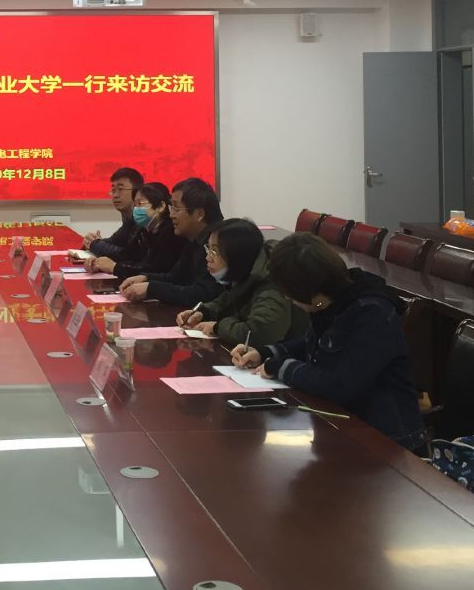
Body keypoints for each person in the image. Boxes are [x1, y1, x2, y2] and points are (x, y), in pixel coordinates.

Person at [231, 233, 426, 454]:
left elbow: (340, 385)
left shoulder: (372, 313)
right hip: (339, 423)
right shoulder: (331, 300)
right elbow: (312, 343)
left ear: (311, 292)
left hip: (386, 441)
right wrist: (266, 353)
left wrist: (280, 367)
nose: (288, 299)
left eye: (290, 294)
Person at [175, 218, 308, 349]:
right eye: (208, 248)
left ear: (237, 255)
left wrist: (217, 328)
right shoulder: (246, 271)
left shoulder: (272, 285)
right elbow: (229, 300)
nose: (208, 257)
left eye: (215, 251)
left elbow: (259, 334)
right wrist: (204, 312)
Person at [119, 177, 224, 307]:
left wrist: (151, 289)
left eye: (176, 209)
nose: (171, 215)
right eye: (171, 208)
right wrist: (145, 278)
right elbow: (176, 277)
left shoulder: (220, 243)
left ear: (199, 214)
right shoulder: (194, 239)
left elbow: (203, 294)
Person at [92, 182, 182, 281]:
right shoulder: (144, 230)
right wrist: (98, 261)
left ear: (160, 206)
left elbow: (155, 269)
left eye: (140, 203)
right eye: (135, 205)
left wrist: (115, 267)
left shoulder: (171, 232)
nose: (136, 209)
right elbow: (127, 255)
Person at [82, 167, 145, 263]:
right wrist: (91, 242)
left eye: (120, 189)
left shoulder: (143, 218)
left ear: (137, 192)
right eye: (113, 190)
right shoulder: (128, 219)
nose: (115, 195)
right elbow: (114, 241)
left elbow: (125, 255)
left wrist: (95, 244)